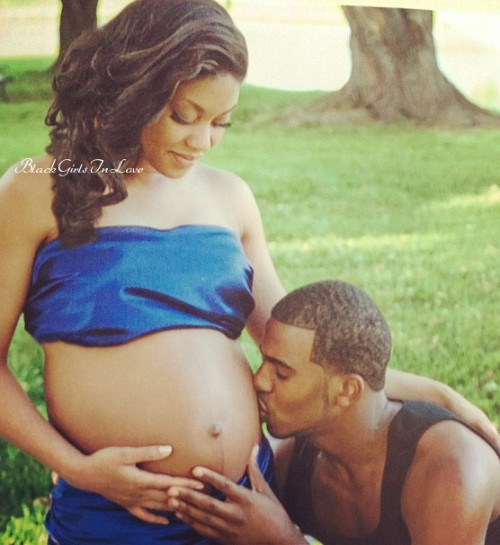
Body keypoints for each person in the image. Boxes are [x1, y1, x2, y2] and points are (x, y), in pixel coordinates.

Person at [0, 0, 495, 543]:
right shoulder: (37, 187)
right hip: (114, 512)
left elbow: (305, 358)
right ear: (134, 89)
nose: (202, 140)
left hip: (241, 504)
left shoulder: (227, 197)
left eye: (221, 122)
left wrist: (441, 398)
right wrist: (76, 467)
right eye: (185, 116)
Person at [166, 280, 500, 545]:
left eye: (282, 373)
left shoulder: (451, 469)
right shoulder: (289, 463)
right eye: (263, 360)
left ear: (347, 391)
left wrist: (286, 541)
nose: (259, 380)